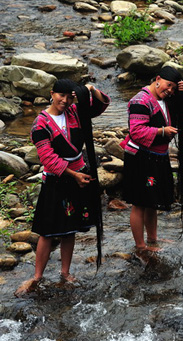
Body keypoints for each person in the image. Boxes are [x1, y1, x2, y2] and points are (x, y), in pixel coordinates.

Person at [16, 79, 110, 296]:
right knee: (47, 231)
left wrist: (91, 89)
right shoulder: (40, 124)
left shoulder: (75, 112)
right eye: (61, 96)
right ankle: (38, 275)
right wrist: (73, 174)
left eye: (70, 97)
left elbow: (101, 105)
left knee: (70, 228)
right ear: (52, 94)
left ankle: (65, 272)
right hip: (57, 179)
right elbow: (47, 157)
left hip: (78, 173)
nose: (65, 101)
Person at [120, 66, 183, 254]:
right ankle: (141, 246)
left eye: (173, 88)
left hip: (157, 156)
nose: (169, 90)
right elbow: (137, 131)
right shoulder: (139, 101)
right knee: (140, 201)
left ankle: (152, 239)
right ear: (157, 79)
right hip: (141, 158)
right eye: (168, 85)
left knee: (151, 200)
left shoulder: (169, 99)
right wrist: (161, 131)